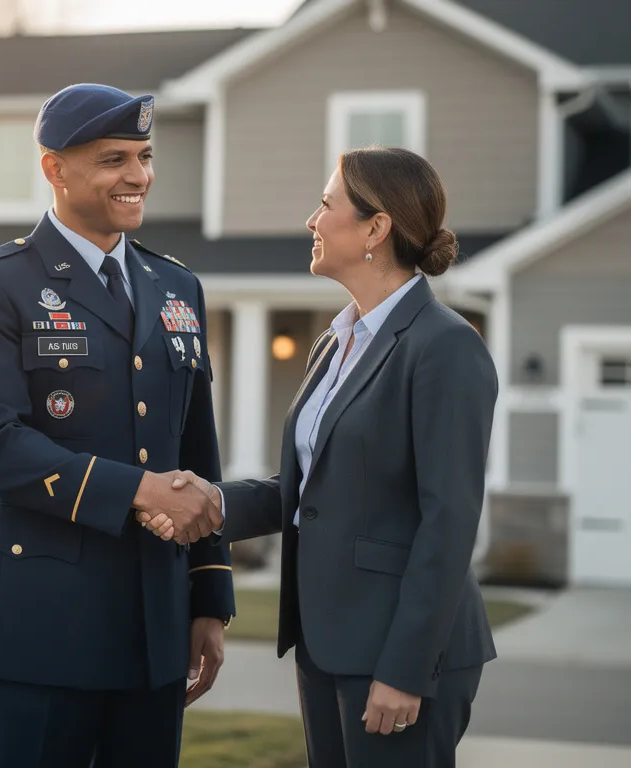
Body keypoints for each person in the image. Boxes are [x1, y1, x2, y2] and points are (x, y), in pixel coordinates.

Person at [144, 146, 498, 767]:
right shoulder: (335, 343)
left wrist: (406, 669)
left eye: (326, 204)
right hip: (326, 642)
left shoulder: (443, 346)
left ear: (375, 228)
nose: (312, 220)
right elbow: (309, 488)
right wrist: (211, 502)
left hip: (396, 652)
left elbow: (450, 522)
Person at [0, 82, 233, 768]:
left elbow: (197, 447)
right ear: (54, 169)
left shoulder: (176, 288)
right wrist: (139, 490)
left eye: (144, 156)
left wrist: (209, 598)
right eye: (112, 160)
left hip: (154, 627)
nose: (138, 176)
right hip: (35, 626)